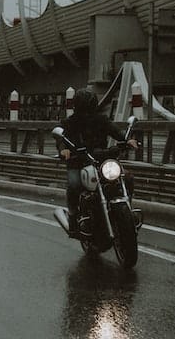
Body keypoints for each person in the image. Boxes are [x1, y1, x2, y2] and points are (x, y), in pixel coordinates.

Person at [58, 87, 136, 232]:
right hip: (79, 162)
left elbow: (115, 131)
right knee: (74, 185)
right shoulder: (70, 122)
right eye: (84, 107)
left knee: (127, 177)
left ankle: (127, 209)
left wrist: (126, 140)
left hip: (101, 160)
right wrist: (64, 149)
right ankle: (73, 217)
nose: (87, 111)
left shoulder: (101, 119)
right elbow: (63, 137)